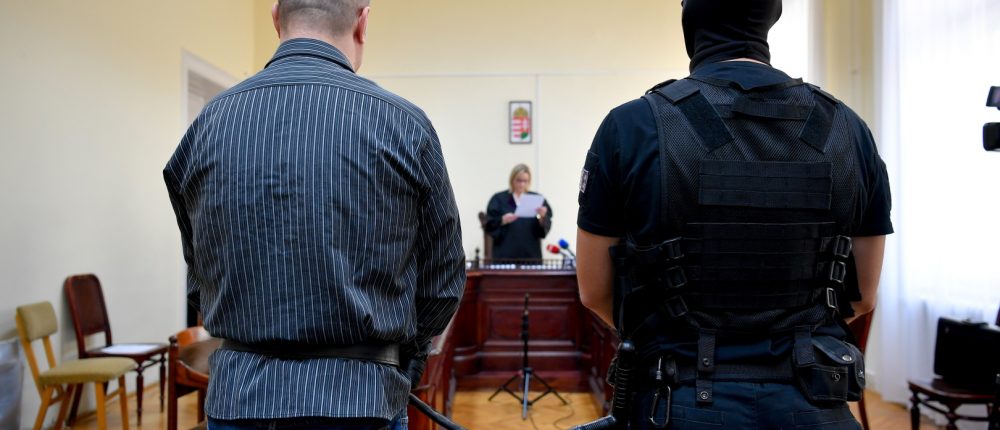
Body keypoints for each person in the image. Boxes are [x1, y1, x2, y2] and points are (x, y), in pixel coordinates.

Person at [576, 0, 892, 428]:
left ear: (690, 19)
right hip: (813, 402)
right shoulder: (848, 129)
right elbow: (863, 296)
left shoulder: (632, 125)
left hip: (677, 401)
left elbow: (594, 292)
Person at [163, 1, 465, 429]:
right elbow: (443, 281)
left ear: (275, 18)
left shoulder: (207, 125)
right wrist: (399, 362)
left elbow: (199, 274)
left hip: (239, 398)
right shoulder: (404, 125)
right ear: (363, 22)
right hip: (362, 399)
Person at [484, 164, 553, 260]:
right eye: (519, 180)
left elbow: (545, 226)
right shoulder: (499, 199)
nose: (522, 184)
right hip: (505, 255)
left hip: (530, 256)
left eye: (525, 181)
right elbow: (489, 223)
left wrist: (542, 217)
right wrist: (502, 220)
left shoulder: (536, 199)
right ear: (512, 179)